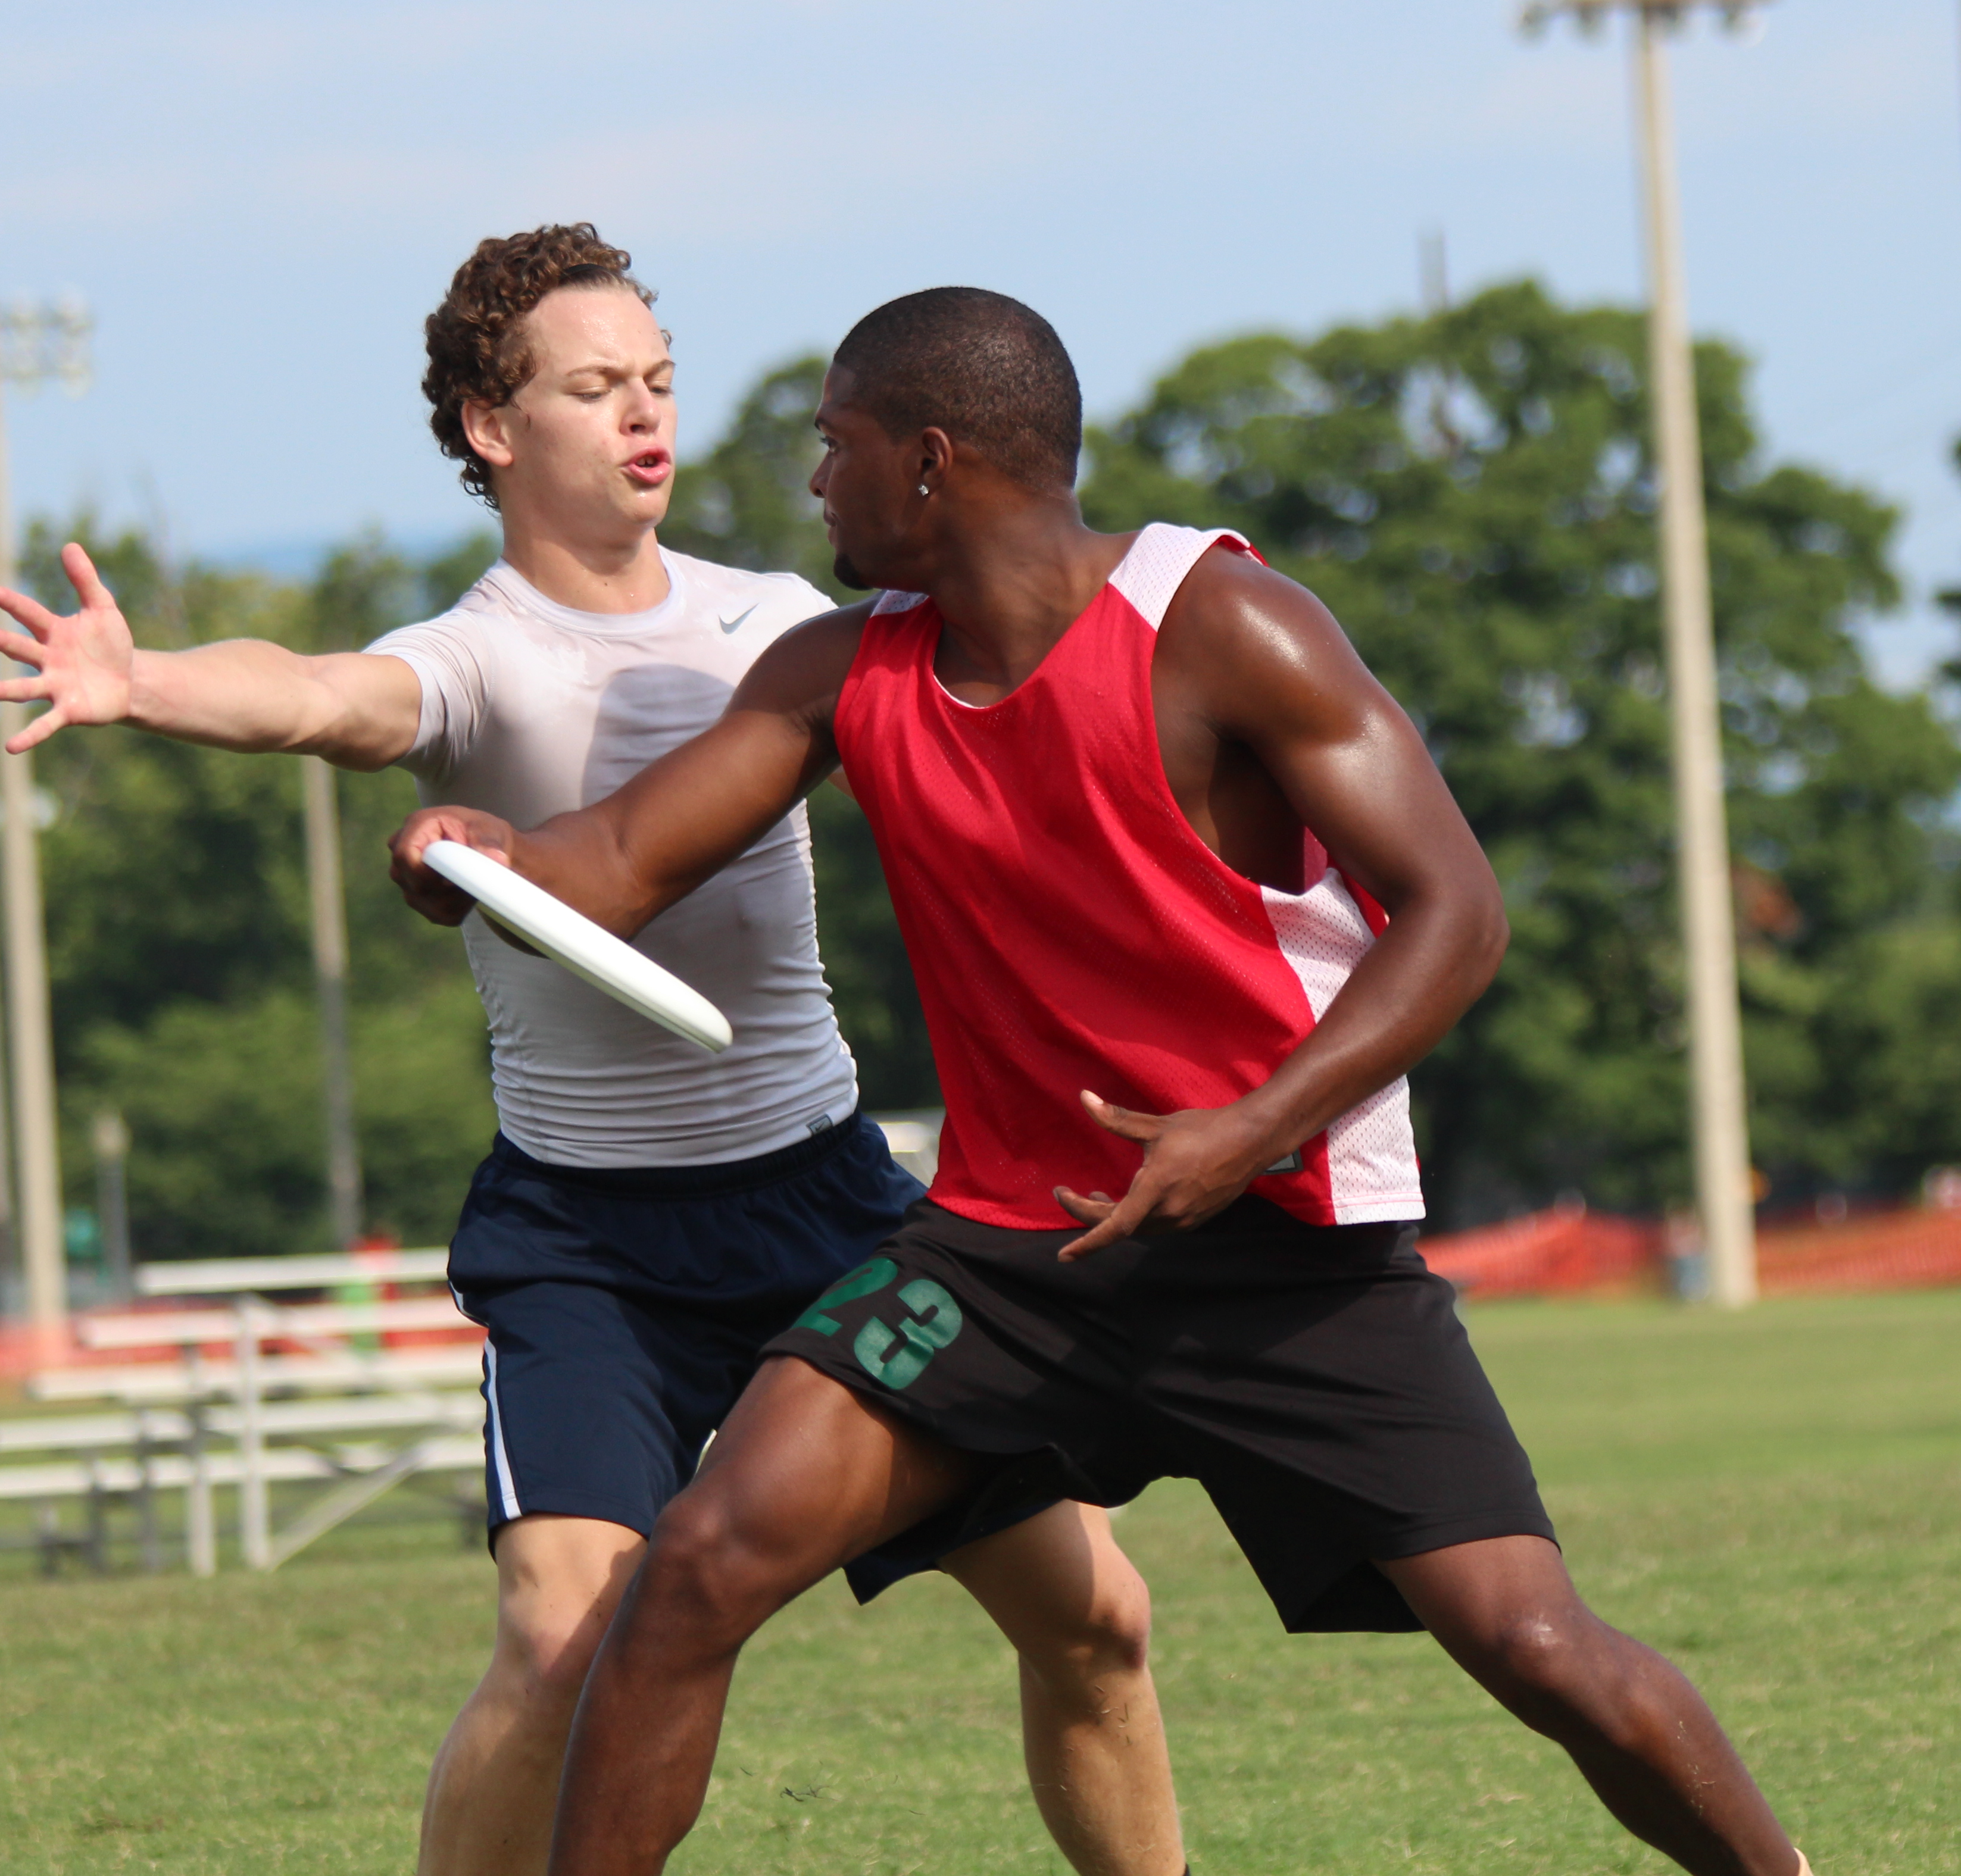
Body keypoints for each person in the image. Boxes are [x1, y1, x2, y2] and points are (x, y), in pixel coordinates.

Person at [387, 285, 1811, 1876]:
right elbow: (616, 861)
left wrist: (1250, 1131)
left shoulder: (1225, 626)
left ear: (931, 464)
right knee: (699, 1565)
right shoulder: (839, 670)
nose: (815, 482)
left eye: (839, 448)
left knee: (1533, 1644)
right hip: (1008, 1266)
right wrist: (483, 856)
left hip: (1284, 1260)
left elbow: (1458, 915)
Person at [0, 233, 1185, 1876]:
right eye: (597, 386)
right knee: (562, 1645)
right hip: (593, 1248)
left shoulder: (782, 620)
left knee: (1097, 1619)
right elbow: (317, 694)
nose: (645, 416)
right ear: (493, 426)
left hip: (833, 1211)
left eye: (660, 382)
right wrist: (147, 683)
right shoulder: (478, 658)